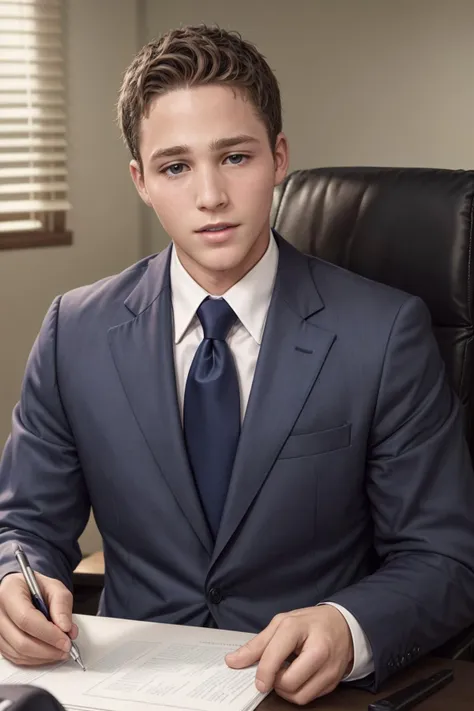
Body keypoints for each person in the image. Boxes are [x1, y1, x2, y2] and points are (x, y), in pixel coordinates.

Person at [0, 24, 473, 706]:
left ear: (279, 156)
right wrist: (16, 579)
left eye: (235, 157)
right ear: (141, 181)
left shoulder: (384, 331)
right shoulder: (74, 329)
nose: (211, 196)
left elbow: (446, 559)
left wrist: (349, 626)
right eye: (175, 166)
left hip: (304, 694)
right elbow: (25, 527)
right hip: (125, 689)